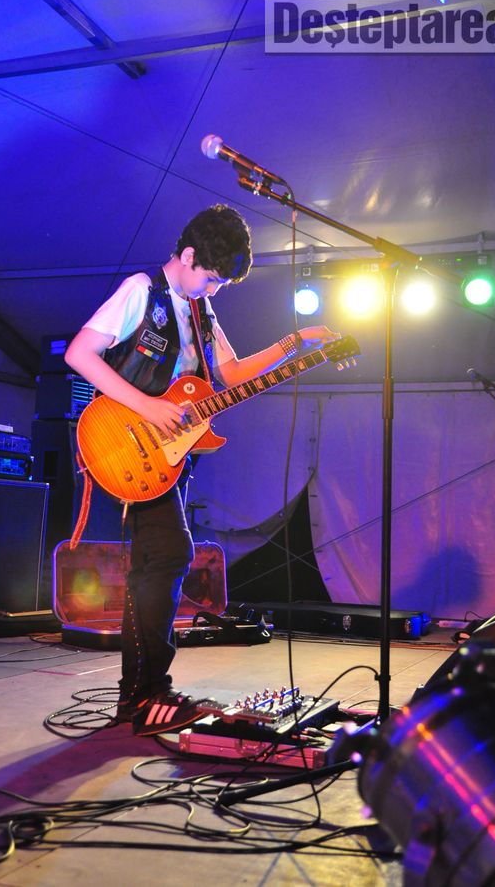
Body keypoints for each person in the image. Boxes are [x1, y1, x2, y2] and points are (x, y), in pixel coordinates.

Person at [65, 204, 340, 736]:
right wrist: (149, 409)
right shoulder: (141, 292)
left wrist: (296, 344)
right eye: (211, 278)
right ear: (188, 255)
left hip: (171, 457)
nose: (213, 290)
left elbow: (230, 373)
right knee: (170, 554)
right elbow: (80, 354)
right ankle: (145, 692)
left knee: (157, 562)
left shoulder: (200, 310)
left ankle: (140, 694)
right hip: (127, 442)